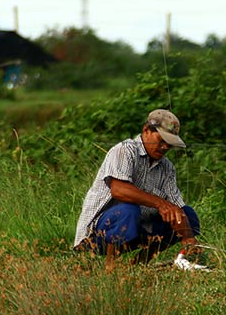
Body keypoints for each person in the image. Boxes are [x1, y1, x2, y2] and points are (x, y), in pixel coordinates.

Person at [73, 109, 203, 270]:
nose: (164, 147)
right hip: (99, 233)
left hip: (138, 228)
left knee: (187, 214)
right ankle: (110, 268)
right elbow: (119, 190)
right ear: (146, 130)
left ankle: (139, 265)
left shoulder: (167, 167)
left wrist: (188, 238)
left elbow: (177, 206)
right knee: (128, 210)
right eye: (161, 140)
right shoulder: (124, 150)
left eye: (169, 144)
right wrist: (161, 204)